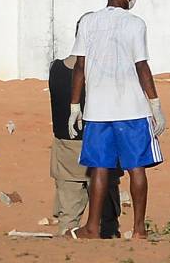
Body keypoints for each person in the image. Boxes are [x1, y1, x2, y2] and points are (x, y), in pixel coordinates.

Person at [68, 0, 166, 240]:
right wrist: (155, 104)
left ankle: (92, 227)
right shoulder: (135, 24)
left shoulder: (88, 22)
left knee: (99, 168)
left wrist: (75, 105)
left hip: (97, 110)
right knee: (137, 167)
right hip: (132, 108)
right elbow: (142, 66)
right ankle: (138, 229)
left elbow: (79, 66)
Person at [49, 14, 122, 238]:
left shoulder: (56, 69)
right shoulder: (102, 71)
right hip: (98, 146)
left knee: (68, 215)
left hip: (65, 147)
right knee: (106, 217)